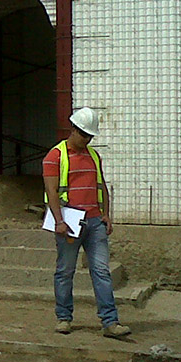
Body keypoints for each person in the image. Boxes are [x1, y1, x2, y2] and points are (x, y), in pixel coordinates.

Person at [42, 107, 131, 339]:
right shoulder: (55, 156)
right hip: (70, 224)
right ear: (73, 129)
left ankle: (110, 322)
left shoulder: (93, 156)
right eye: (84, 134)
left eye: (90, 136)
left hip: (94, 222)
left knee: (102, 271)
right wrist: (59, 222)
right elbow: (51, 192)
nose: (87, 139)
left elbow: (101, 185)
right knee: (65, 271)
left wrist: (106, 214)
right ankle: (63, 317)